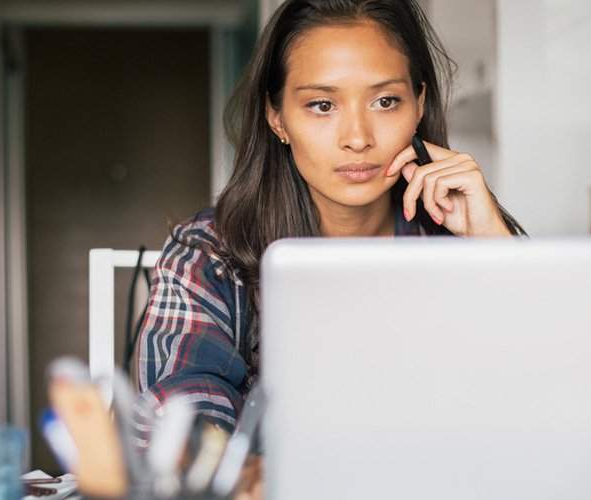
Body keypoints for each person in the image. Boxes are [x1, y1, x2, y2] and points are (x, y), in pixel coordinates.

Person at [135, 0, 526, 496]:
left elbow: (560, 401)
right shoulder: (209, 254)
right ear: (277, 117)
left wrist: (497, 249)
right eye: (322, 105)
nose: (358, 138)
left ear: (419, 104)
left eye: (385, 101)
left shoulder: (468, 238)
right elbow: (188, 415)